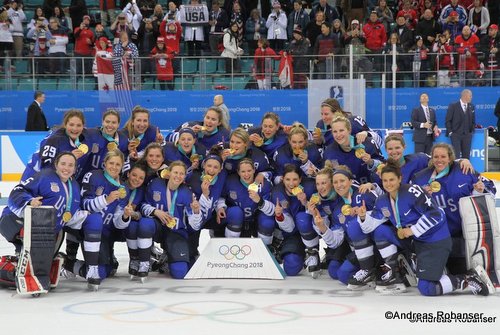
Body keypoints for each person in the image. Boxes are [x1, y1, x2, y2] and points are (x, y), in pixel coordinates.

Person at [360, 159, 493, 296]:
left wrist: (411, 230)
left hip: (434, 241)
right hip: (415, 241)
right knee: (381, 231)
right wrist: (363, 217)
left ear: (400, 178)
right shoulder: (382, 200)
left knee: (427, 288)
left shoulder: (413, 191)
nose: (388, 184)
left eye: (392, 180)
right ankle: (394, 272)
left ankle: (466, 279)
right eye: (385, 180)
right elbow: (370, 226)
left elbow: (435, 215)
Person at [0, 152, 84, 292]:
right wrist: (29, 201)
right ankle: (13, 269)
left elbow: (70, 214)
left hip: (46, 232)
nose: (66, 168)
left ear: (75, 168)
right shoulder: (44, 176)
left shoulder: (74, 187)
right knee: (32, 263)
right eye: (63, 164)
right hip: (15, 221)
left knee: (41, 264)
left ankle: (22, 262)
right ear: (56, 164)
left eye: (70, 165)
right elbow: (17, 191)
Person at [411, 143, 496, 275]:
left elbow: (491, 187)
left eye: (443, 156)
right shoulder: (420, 178)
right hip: (437, 234)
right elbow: (411, 204)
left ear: (450, 158)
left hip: (461, 232)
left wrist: (482, 188)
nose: (439, 160)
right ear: (431, 158)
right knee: (436, 272)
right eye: (436, 157)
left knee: (459, 270)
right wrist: (421, 197)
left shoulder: (464, 170)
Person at [138, 161, 203, 279]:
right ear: (169, 173)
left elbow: (195, 225)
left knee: (180, 272)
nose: (178, 176)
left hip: (176, 232)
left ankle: (169, 256)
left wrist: (196, 211)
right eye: (175, 172)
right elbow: (142, 206)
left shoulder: (187, 193)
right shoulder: (155, 184)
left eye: (181, 174)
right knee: (145, 224)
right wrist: (155, 211)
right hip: (158, 227)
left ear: (184, 176)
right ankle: (143, 262)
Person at [21, 109, 92, 183]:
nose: (75, 128)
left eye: (79, 125)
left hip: (58, 180)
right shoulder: (54, 140)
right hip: (34, 179)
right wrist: (69, 158)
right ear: (65, 125)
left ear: (83, 126)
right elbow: (45, 168)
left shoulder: (84, 139)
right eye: (71, 125)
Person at [445, 89, 475, 159]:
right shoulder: (453, 106)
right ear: (465, 96)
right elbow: (448, 120)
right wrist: (450, 133)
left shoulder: (471, 106)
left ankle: (465, 170)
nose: (471, 97)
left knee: (466, 157)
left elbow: (473, 121)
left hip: (467, 135)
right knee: (456, 157)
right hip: (455, 135)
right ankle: (456, 170)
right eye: (470, 96)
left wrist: (471, 132)